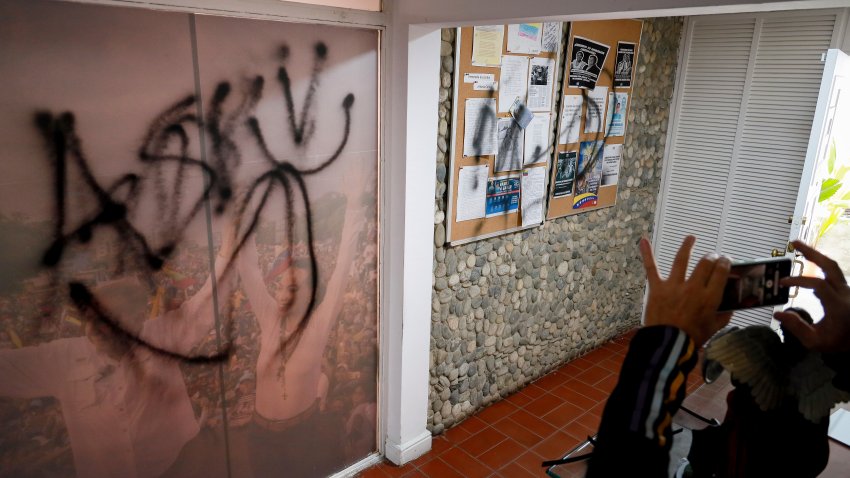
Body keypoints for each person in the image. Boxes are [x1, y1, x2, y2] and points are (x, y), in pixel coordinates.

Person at [586, 237, 850, 476]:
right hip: (806, 456)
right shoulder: (824, 362)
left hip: (755, 451)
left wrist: (665, 340)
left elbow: (624, 462)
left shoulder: (775, 351)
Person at [0, 242, 237, 478]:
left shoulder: (163, 336)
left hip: (181, 467)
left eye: (108, 320)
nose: (94, 329)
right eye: (90, 318)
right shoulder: (62, 358)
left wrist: (230, 247)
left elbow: (210, 301)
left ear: (139, 318)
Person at [233, 163, 369, 477]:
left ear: (310, 295)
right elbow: (249, 269)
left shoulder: (319, 323)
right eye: (280, 285)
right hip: (261, 436)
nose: (281, 293)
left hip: (306, 433)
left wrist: (353, 202)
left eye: (292, 287)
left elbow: (343, 266)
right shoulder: (268, 317)